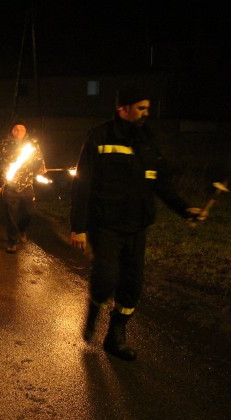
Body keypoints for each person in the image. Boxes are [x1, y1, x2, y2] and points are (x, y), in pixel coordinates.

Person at [70, 86, 205, 361]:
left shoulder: (148, 139)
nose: (147, 113)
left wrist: (184, 208)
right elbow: (82, 185)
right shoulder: (99, 136)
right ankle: (95, 308)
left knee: (132, 285)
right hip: (105, 225)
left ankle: (115, 336)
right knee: (106, 278)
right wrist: (78, 227)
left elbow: (161, 183)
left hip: (137, 225)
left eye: (147, 107)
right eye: (141, 107)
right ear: (123, 108)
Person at [0, 120, 46, 253]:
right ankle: (12, 241)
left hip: (26, 184)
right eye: (16, 128)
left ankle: (22, 230)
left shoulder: (32, 145)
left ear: (25, 130)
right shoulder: (4, 144)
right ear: (12, 130)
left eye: (22, 128)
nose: (19, 131)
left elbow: (39, 160)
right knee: (11, 215)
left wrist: (41, 167)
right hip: (10, 185)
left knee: (30, 212)